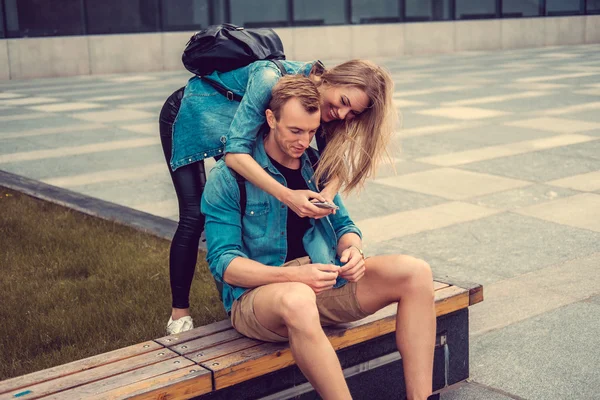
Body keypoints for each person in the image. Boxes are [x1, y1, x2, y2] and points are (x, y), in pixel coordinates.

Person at [201, 75, 435, 400]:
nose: (303, 141)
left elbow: (344, 227)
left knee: (415, 272)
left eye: (311, 132)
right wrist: (293, 276)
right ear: (270, 118)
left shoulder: (315, 165)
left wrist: (353, 250)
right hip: (260, 299)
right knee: (297, 297)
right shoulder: (229, 179)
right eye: (295, 131)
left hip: (323, 282)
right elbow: (224, 264)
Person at [159, 58, 395, 334]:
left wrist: (326, 198)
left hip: (235, 127)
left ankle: (257, 279)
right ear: (331, 78)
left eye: (352, 112)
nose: (343, 114)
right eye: (343, 101)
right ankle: (180, 315)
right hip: (190, 113)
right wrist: (289, 196)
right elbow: (236, 155)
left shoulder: (324, 104)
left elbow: (331, 165)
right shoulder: (269, 81)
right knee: (193, 214)